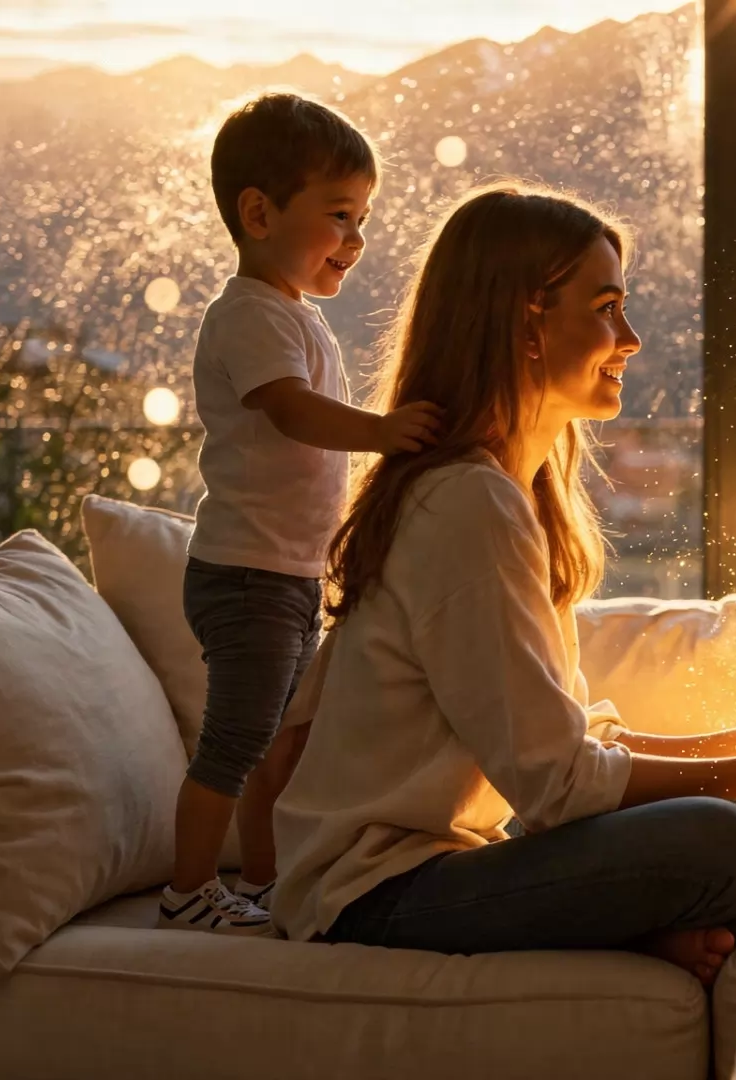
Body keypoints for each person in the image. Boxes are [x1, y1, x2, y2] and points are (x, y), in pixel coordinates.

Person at [271, 182, 736, 985]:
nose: (630, 338)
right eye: (606, 307)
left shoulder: (513, 494)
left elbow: (574, 744)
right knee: (725, 840)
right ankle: (660, 923)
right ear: (525, 324)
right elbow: (559, 787)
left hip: (463, 862)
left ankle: (659, 923)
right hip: (375, 898)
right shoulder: (466, 504)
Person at [162, 93, 443, 936]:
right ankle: (185, 893)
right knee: (240, 743)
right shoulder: (247, 314)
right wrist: (386, 434)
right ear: (258, 213)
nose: (356, 241)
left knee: (279, 744)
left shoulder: (292, 314)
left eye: (363, 220)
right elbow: (291, 412)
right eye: (339, 216)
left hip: (283, 574)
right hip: (246, 576)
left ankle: (264, 881)